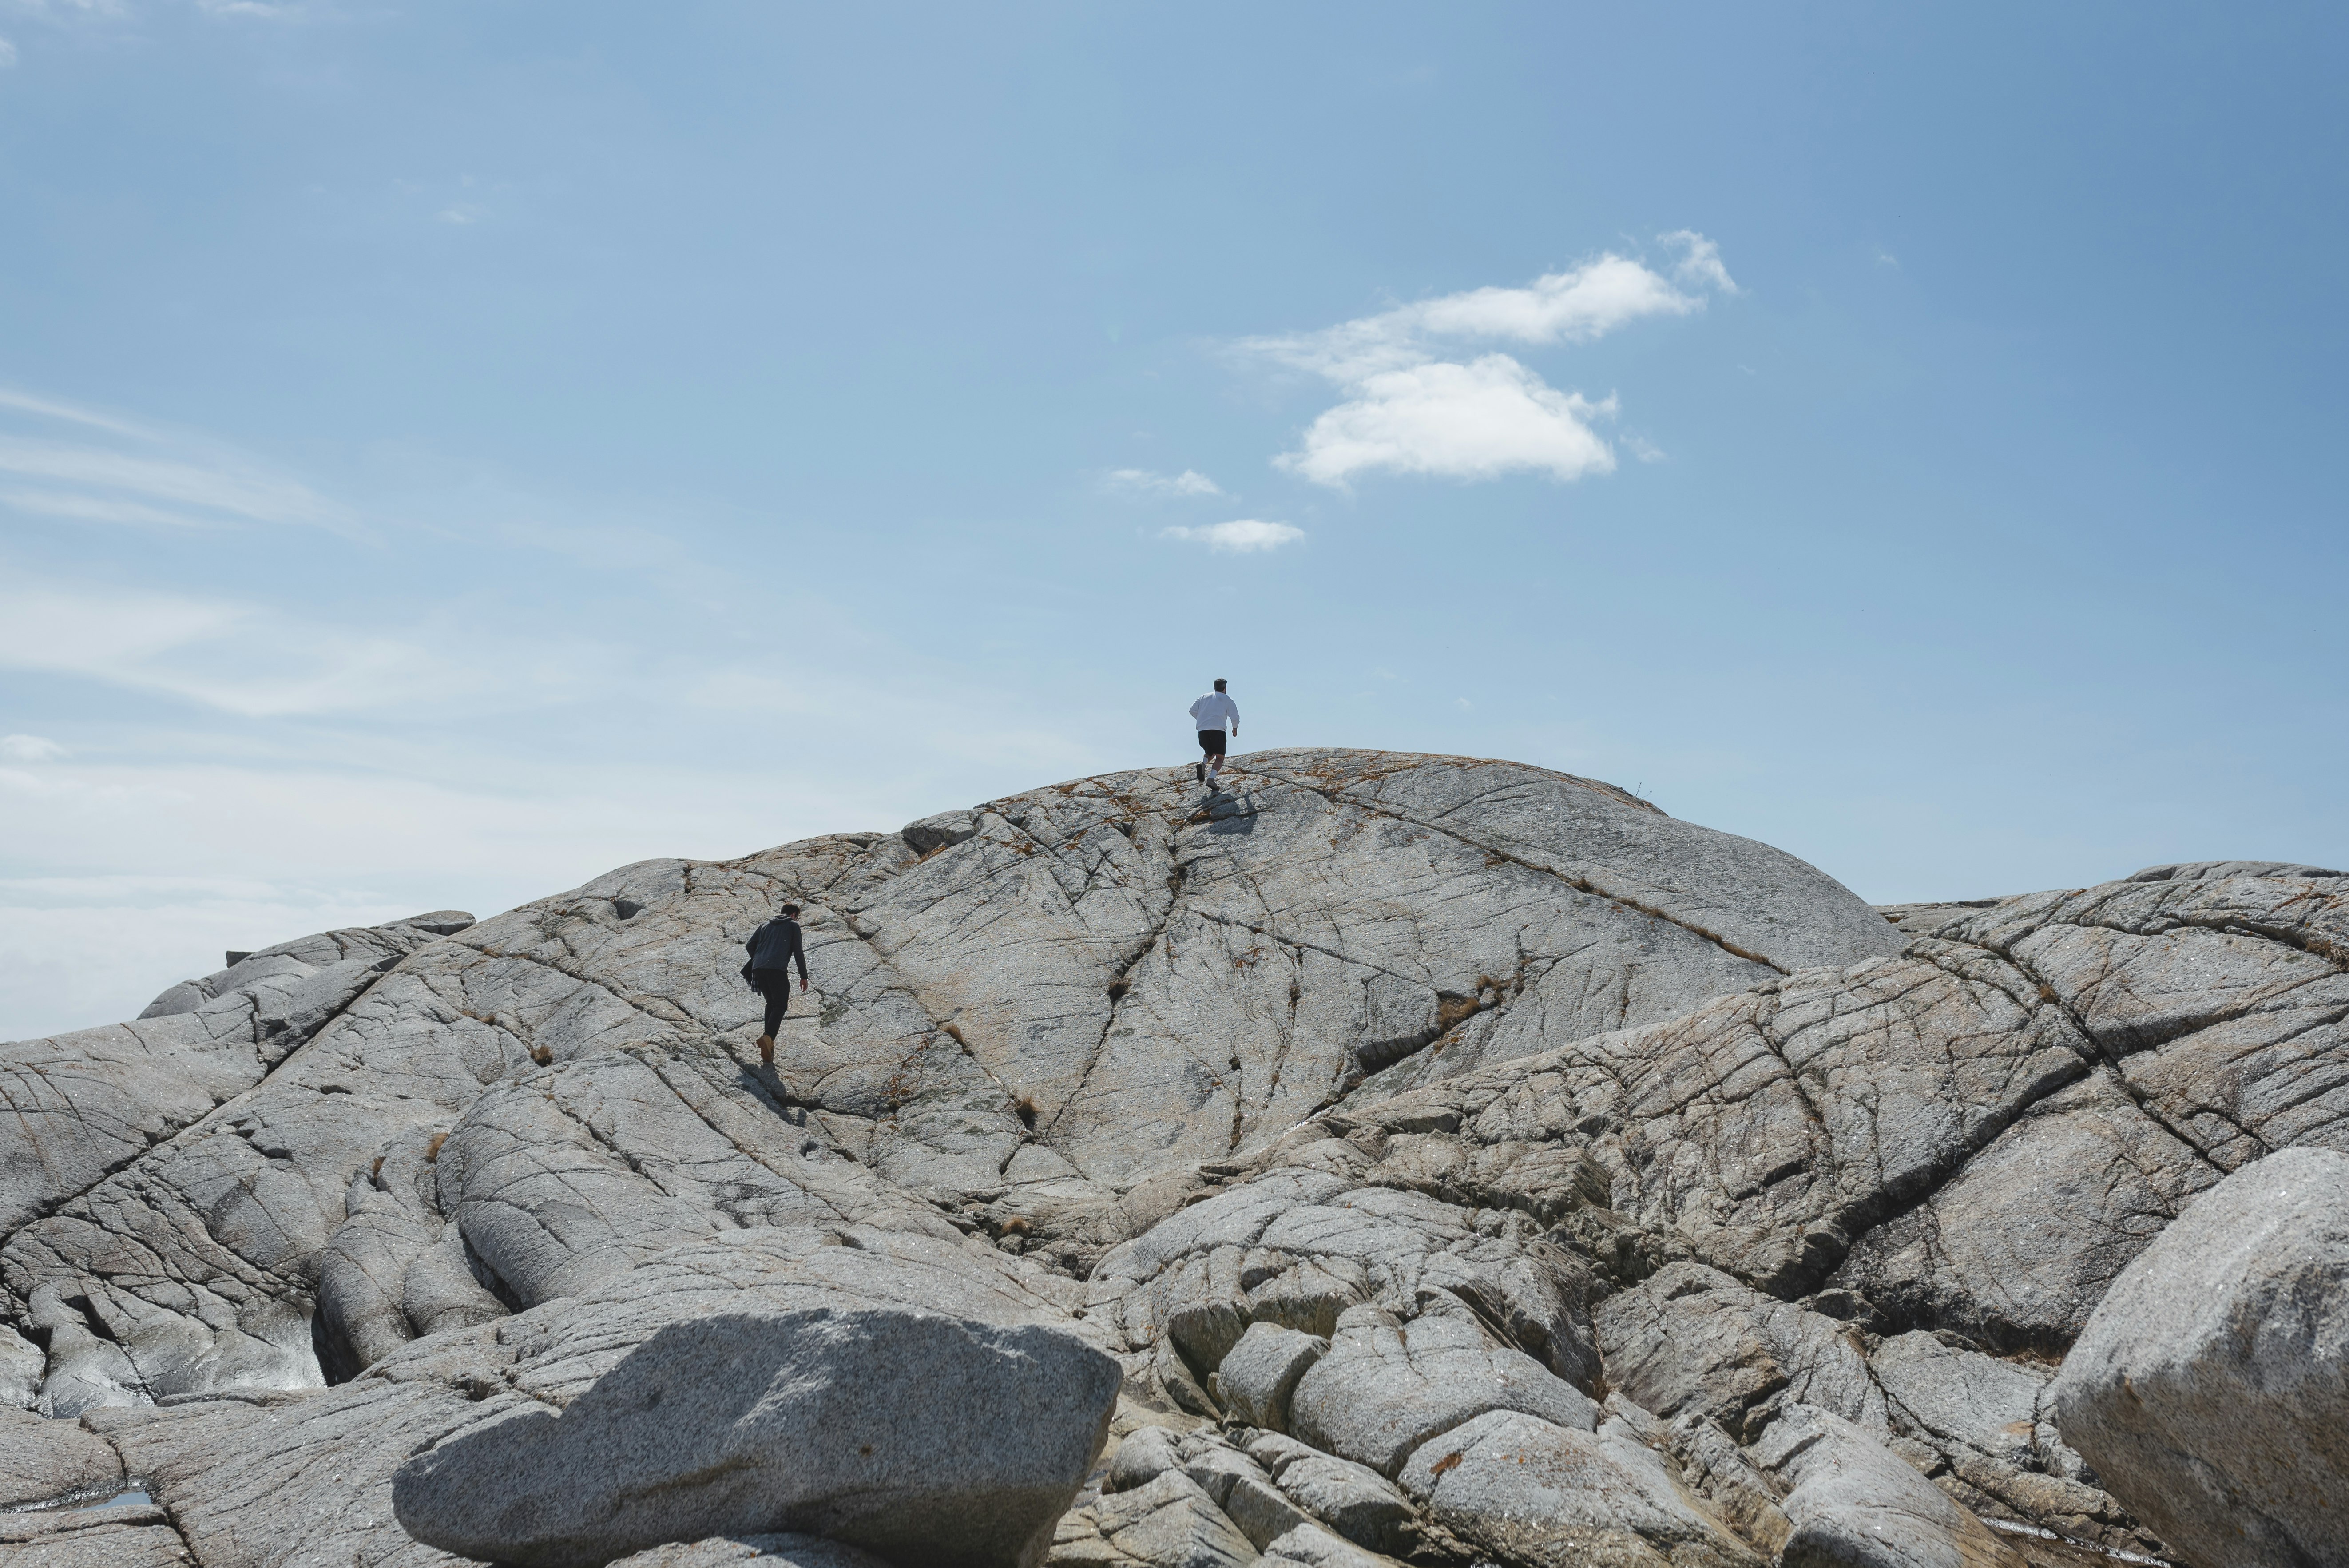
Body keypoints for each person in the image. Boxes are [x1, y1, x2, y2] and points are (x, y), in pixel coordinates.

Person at [745, 901, 809, 1066]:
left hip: (758, 969)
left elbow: (750, 945)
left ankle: (769, 1044)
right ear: (794, 915)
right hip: (776, 970)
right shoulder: (793, 925)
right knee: (780, 1006)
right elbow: (798, 951)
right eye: (798, 917)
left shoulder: (765, 925)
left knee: (771, 1003)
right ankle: (768, 1038)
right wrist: (803, 976)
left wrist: (761, 957)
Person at [1189, 678, 1239, 786]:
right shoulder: (1228, 699)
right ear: (1225, 689)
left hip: (1203, 731)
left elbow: (1192, 710)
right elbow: (1235, 718)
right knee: (1220, 757)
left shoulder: (1203, 697)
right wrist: (1235, 730)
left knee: (1210, 753)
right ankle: (1211, 779)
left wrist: (1203, 719)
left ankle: (1202, 763)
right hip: (1218, 731)